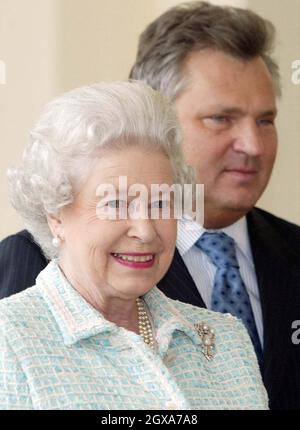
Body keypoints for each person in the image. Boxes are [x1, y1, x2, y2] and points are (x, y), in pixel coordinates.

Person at [0, 1, 299, 410]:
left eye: (161, 202)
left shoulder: (225, 336)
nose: (253, 145)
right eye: (220, 118)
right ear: (56, 214)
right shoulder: (14, 327)